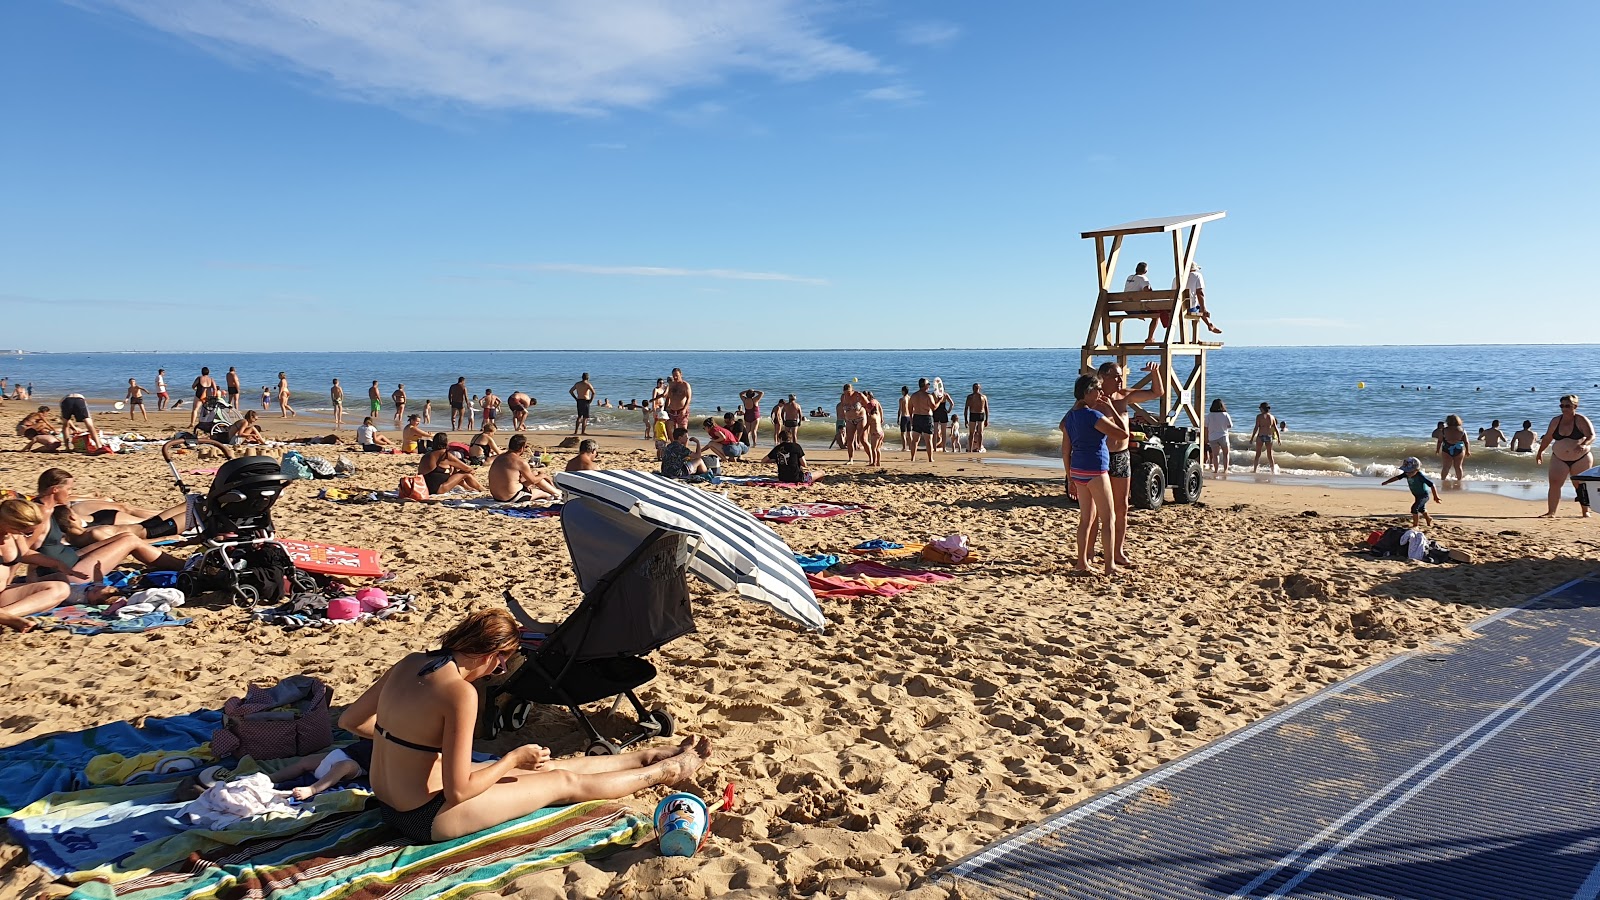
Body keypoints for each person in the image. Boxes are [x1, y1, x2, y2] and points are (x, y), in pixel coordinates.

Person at [336, 608, 708, 845]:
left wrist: (410, 746)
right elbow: (460, 792)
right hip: (425, 818)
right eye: (501, 665)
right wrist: (512, 759)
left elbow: (351, 721)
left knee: (551, 767)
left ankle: (646, 755)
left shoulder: (410, 662)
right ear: (490, 654)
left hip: (389, 803)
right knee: (560, 782)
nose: (498, 673)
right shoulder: (459, 693)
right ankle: (665, 770)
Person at [3, 496, 183, 586]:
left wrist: (57, 563)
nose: (71, 495)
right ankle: (185, 567)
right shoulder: (41, 515)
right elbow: (19, 557)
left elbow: (22, 554)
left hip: (71, 559)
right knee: (130, 541)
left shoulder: (42, 511)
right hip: (73, 572)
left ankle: (185, 565)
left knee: (128, 537)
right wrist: (22, 581)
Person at [1061, 374, 1129, 577]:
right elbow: (1123, 434)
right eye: (1097, 389)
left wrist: (1070, 477)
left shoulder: (1070, 417)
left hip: (1078, 470)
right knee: (1108, 518)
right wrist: (1112, 409)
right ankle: (1109, 566)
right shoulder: (1094, 416)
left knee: (1086, 519)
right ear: (1088, 392)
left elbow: (1065, 449)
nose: (1101, 393)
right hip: (1096, 469)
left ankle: (1081, 562)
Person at [1535, 394, 1594, 518]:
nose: (1564, 408)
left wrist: (1584, 444)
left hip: (1581, 458)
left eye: (1567, 406)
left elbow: (1591, 435)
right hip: (1559, 458)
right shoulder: (1556, 421)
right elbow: (1547, 438)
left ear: (1575, 406)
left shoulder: (1581, 419)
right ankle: (1551, 512)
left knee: (1579, 484)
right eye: (1561, 406)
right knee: (1555, 483)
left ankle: (1585, 511)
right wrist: (1540, 452)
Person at [269, 741, 373, 801]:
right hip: (344, 752)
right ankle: (271, 778)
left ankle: (312, 789)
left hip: (358, 765)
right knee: (306, 761)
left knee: (344, 766)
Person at [487, 435, 559, 502]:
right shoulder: (520, 462)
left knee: (534, 473)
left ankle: (556, 492)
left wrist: (537, 475)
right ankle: (558, 493)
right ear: (522, 448)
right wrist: (543, 475)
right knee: (541, 492)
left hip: (497, 496)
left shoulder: (499, 457)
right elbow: (533, 481)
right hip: (511, 497)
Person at [1382, 457, 1441, 528]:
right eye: (1406, 471)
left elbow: (1432, 485)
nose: (1408, 473)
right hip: (1416, 495)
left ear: (1416, 470)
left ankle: (1415, 525)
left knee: (1414, 508)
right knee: (1421, 509)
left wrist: (1436, 496)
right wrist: (1387, 482)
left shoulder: (1420, 476)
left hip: (1424, 496)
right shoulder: (1406, 474)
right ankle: (1428, 519)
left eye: (1410, 471)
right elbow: (1397, 478)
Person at [420, 434, 485, 495]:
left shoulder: (427, 454)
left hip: (425, 487)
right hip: (437, 489)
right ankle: (482, 489)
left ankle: (469, 488)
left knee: (454, 470)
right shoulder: (444, 455)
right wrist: (472, 470)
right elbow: (467, 468)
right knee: (466, 473)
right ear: (446, 442)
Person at [1183, 262, 1221, 334]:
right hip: (1189, 308)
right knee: (1199, 308)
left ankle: (1210, 324)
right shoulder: (1197, 276)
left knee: (1197, 306)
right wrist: (1204, 310)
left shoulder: (1177, 278)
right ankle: (1207, 327)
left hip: (1176, 308)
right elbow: (1200, 293)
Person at [907, 379, 937, 462]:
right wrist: (939, 400)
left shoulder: (913, 396)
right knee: (928, 440)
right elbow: (933, 407)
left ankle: (912, 458)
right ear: (925, 385)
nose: (929, 386)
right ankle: (930, 458)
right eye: (928, 384)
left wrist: (911, 417)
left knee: (915, 440)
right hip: (927, 417)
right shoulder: (928, 396)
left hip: (917, 417)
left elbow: (910, 408)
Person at [839, 385, 871, 463]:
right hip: (849, 420)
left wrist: (872, 416)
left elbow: (869, 405)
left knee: (863, 439)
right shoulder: (843, 397)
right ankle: (850, 459)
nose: (847, 394)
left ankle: (871, 458)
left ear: (852, 390)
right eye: (846, 392)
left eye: (849, 392)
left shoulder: (858, 395)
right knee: (849, 440)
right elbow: (843, 408)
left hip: (860, 418)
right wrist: (844, 418)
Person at [1435, 414, 1469, 485]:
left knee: (1446, 467)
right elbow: (1466, 441)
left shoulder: (1444, 430)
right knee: (1458, 467)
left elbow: (1439, 441)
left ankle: (1443, 480)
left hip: (1447, 448)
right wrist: (1468, 451)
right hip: (1459, 448)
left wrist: (1437, 450)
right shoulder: (1462, 430)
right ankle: (1459, 480)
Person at [1248, 402, 1282, 473]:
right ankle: (1273, 471)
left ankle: (1255, 470)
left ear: (1262, 408)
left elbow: (1256, 428)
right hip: (1269, 436)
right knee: (1270, 455)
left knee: (1258, 454)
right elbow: (1276, 428)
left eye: (1260, 408)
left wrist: (1252, 438)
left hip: (1260, 436)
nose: (1259, 409)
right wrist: (1279, 439)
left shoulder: (1259, 416)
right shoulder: (1272, 417)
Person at [1205, 398, 1233, 474]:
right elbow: (1230, 425)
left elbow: (1206, 427)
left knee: (1215, 455)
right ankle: (1225, 470)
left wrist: (1206, 438)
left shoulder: (1209, 416)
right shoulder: (1225, 414)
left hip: (1212, 437)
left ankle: (1216, 470)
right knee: (1226, 454)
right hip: (1223, 436)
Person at [930, 378, 954, 453]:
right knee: (943, 432)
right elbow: (952, 404)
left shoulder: (933, 394)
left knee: (935, 432)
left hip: (935, 412)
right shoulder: (945, 395)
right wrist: (949, 411)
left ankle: (934, 448)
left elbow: (930, 404)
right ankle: (944, 448)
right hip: (943, 412)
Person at [665, 369, 692, 433]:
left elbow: (689, 398)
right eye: (674, 375)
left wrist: (684, 409)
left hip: (681, 410)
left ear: (681, 374)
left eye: (677, 375)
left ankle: (684, 443)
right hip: (672, 410)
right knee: (669, 429)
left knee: (683, 431)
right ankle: (673, 442)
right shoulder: (671, 384)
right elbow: (668, 397)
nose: (675, 377)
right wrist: (666, 408)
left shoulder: (685, 385)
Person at [964, 384, 989, 453]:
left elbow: (986, 408)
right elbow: (966, 409)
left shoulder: (981, 397)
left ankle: (977, 448)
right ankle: (974, 448)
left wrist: (987, 419)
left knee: (977, 433)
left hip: (978, 414)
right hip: (976, 414)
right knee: (976, 433)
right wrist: (966, 420)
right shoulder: (973, 397)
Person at [863, 391, 885, 466]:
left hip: (875, 434)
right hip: (881, 432)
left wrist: (862, 431)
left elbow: (867, 426)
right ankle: (879, 462)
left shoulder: (870, 417)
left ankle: (874, 462)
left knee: (873, 449)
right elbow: (881, 409)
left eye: (867, 409)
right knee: (878, 449)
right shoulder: (877, 415)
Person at [896, 386, 913, 453]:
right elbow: (912, 409)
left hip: (904, 417)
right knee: (909, 434)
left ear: (903, 391)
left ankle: (904, 448)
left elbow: (900, 410)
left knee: (903, 434)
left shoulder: (902, 399)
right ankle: (911, 447)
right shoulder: (910, 398)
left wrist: (898, 418)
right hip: (909, 416)